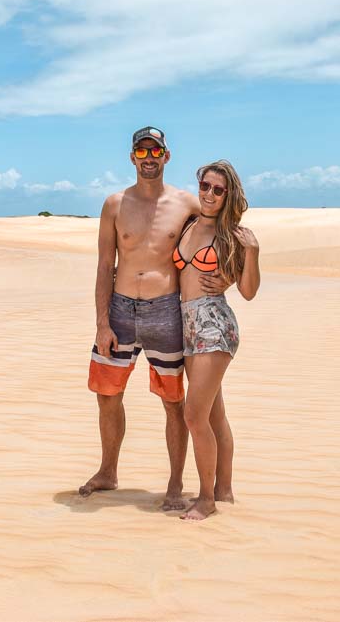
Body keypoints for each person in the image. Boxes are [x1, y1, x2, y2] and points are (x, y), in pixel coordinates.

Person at [81, 126, 228, 510]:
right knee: (107, 395)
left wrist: (227, 275)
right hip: (120, 310)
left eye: (155, 152)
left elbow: (224, 231)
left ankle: (176, 484)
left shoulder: (186, 204)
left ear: (167, 156)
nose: (149, 159)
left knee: (172, 401)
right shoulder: (114, 204)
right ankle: (108, 471)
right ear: (132, 157)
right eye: (142, 153)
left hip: (166, 311)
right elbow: (103, 265)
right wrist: (101, 322)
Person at [175, 159, 260, 520]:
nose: (209, 194)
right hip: (186, 324)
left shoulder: (234, 236)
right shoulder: (188, 223)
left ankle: (206, 499)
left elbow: (249, 290)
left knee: (194, 416)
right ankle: (224, 489)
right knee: (214, 414)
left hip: (214, 324)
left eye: (218, 190)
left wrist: (253, 253)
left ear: (229, 195)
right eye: (205, 187)